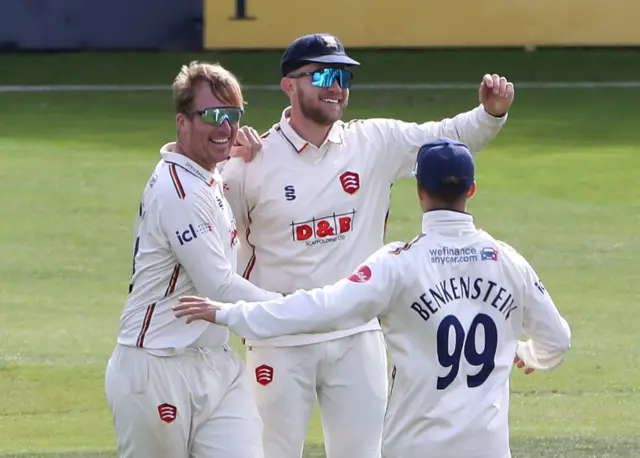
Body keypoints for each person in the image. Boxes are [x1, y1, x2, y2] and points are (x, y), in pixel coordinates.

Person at [174, 138, 572, 458]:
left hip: (416, 447)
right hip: (488, 448)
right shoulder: (509, 262)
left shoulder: (399, 264)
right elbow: (558, 340)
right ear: (471, 189)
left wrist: (231, 313)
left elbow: (322, 307)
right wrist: (527, 353)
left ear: (419, 192)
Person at [219, 32, 515, 458]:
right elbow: (211, 227)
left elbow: (445, 137)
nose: (336, 87)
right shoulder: (252, 161)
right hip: (279, 338)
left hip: (357, 336)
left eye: (343, 76)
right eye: (322, 74)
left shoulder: (373, 142)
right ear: (290, 84)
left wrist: (490, 114)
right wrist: (219, 160)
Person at [104, 61, 281, 458]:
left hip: (217, 363)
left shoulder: (205, 174)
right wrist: (295, 307)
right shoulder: (178, 192)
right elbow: (218, 285)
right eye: (213, 116)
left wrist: (234, 151)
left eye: (233, 116)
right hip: (155, 365)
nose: (225, 127)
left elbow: (215, 157)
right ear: (182, 122)